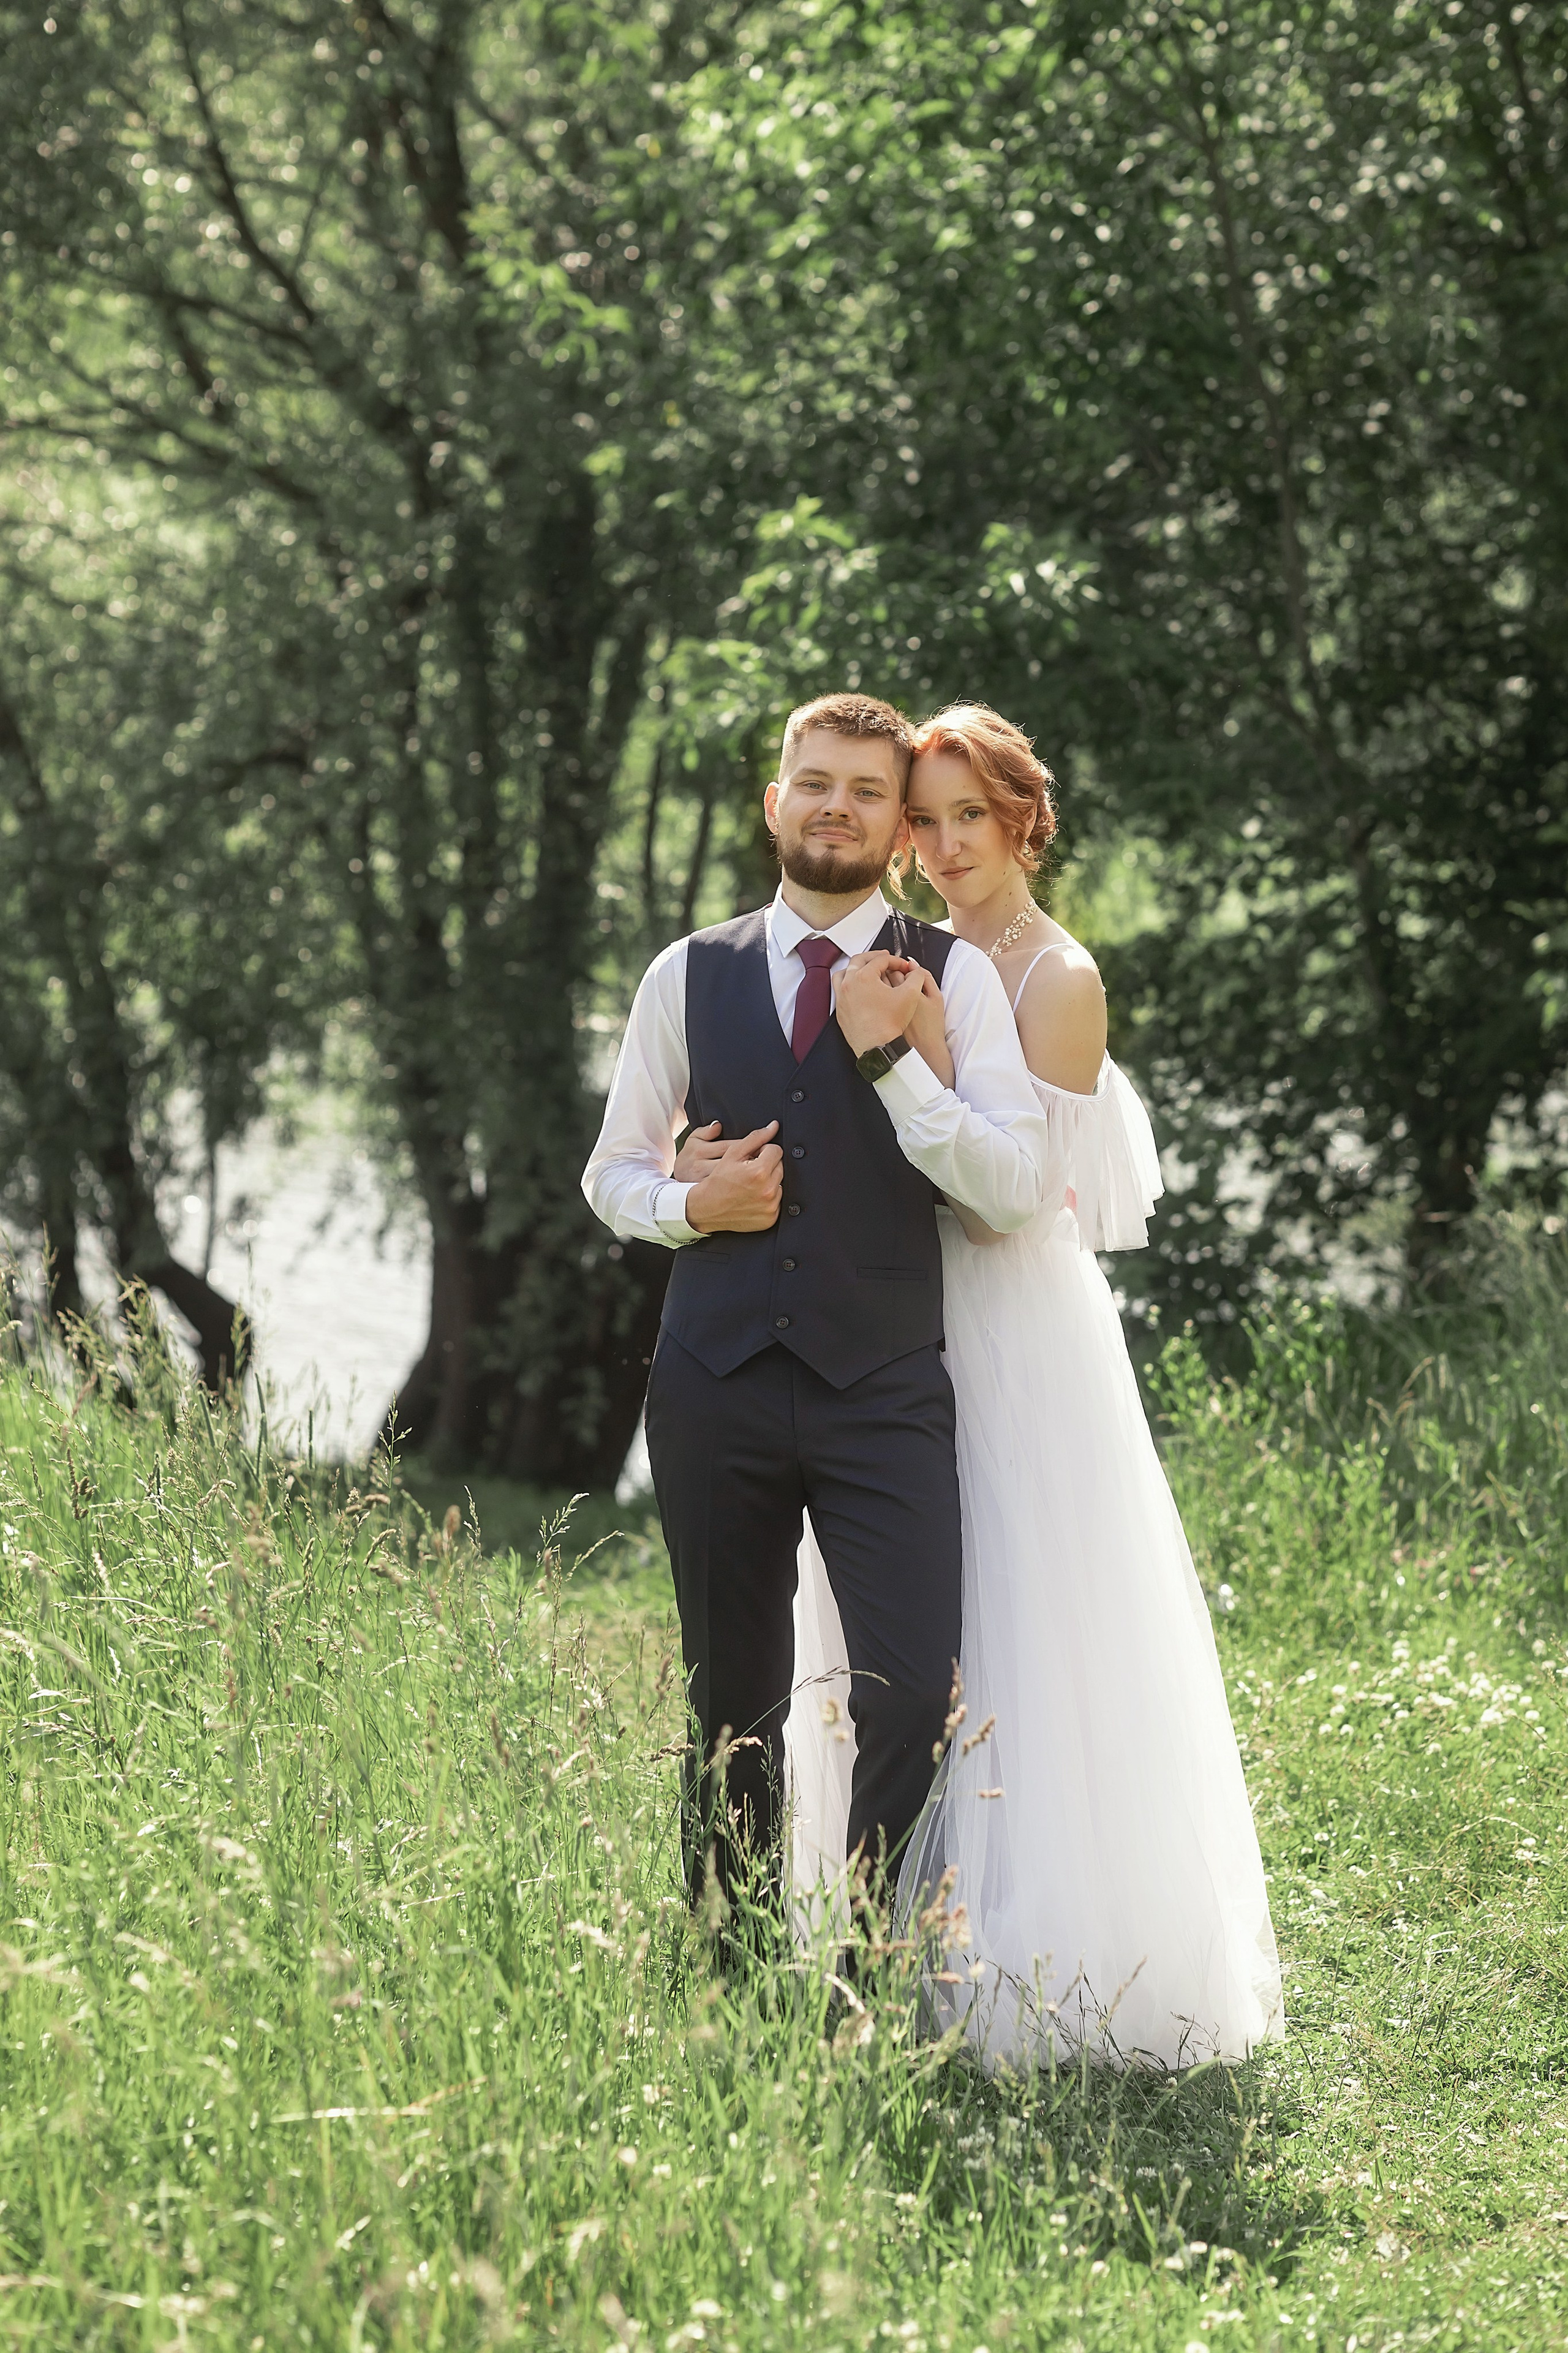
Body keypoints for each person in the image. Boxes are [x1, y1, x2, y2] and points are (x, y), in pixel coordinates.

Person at [786, 702, 1284, 2069]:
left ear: (1021, 821)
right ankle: (870, 1914)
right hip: (884, 1313)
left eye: (970, 819)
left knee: (1016, 1605)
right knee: (882, 1613)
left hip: (1002, 1318)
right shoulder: (898, 947)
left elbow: (1011, 1211)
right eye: (924, 819)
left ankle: (1032, 1941)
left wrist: (912, 1060)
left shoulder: (1053, 980)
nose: (944, 848)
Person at [581, 692, 1052, 1915]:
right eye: (814, 782)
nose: (833, 807)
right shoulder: (686, 972)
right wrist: (694, 1209)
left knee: (908, 1692)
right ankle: (726, 1975)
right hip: (712, 1382)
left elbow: (1013, 1183)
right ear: (774, 799)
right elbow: (612, 1170)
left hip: (883, 1386)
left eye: (863, 791)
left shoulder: (951, 979)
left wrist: (894, 1064)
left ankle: (863, 1982)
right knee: (727, 1700)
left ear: (899, 828)